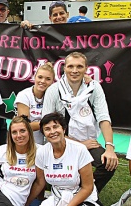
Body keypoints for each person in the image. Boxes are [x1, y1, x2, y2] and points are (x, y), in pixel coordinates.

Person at [26, 113, 112, 206]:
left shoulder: (79, 150)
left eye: (56, 127)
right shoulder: (42, 152)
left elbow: (87, 187)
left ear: (64, 129)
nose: (52, 132)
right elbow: (40, 182)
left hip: (83, 199)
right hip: (58, 197)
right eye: (47, 129)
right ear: (43, 133)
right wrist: (25, 205)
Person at [43, 51, 118, 192]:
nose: (74, 70)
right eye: (70, 66)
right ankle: (64, 188)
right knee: (57, 172)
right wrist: (80, 145)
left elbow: (103, 118)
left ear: (86, 69)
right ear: (64, 68)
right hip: (59, 142)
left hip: (89, 142)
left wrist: (110, 148)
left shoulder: (94, 87)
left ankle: (87, 192)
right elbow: (47, 126)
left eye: (79, 66)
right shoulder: (54, 90)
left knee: (108, 162)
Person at [15, 62, 56, 145]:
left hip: (46, 143)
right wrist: (48, 123)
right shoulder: (24, 95)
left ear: (53, 81)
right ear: (34, 77)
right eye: (40, 77)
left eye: (48, 79)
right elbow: (24, 126)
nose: (43, 81)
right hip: (25, 142)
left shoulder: (54, 96)